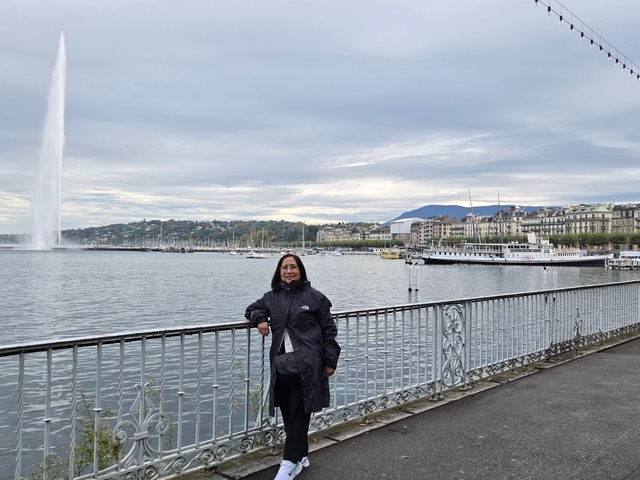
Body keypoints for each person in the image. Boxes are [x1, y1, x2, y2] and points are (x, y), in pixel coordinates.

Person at [245, 254, 340, 480]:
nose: (289, 271)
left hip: (308, 363)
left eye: (293, 267)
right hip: (282, 363)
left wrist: (330, 360)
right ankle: (301, 455)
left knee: (299, 411)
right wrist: (260, 319)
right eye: (284, 267)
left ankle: (288, 463)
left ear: (301, 270)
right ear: (279, 271)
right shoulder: (271, 297)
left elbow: (329, 330)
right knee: (288, 411)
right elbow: (251, 309)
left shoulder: (315, 297)